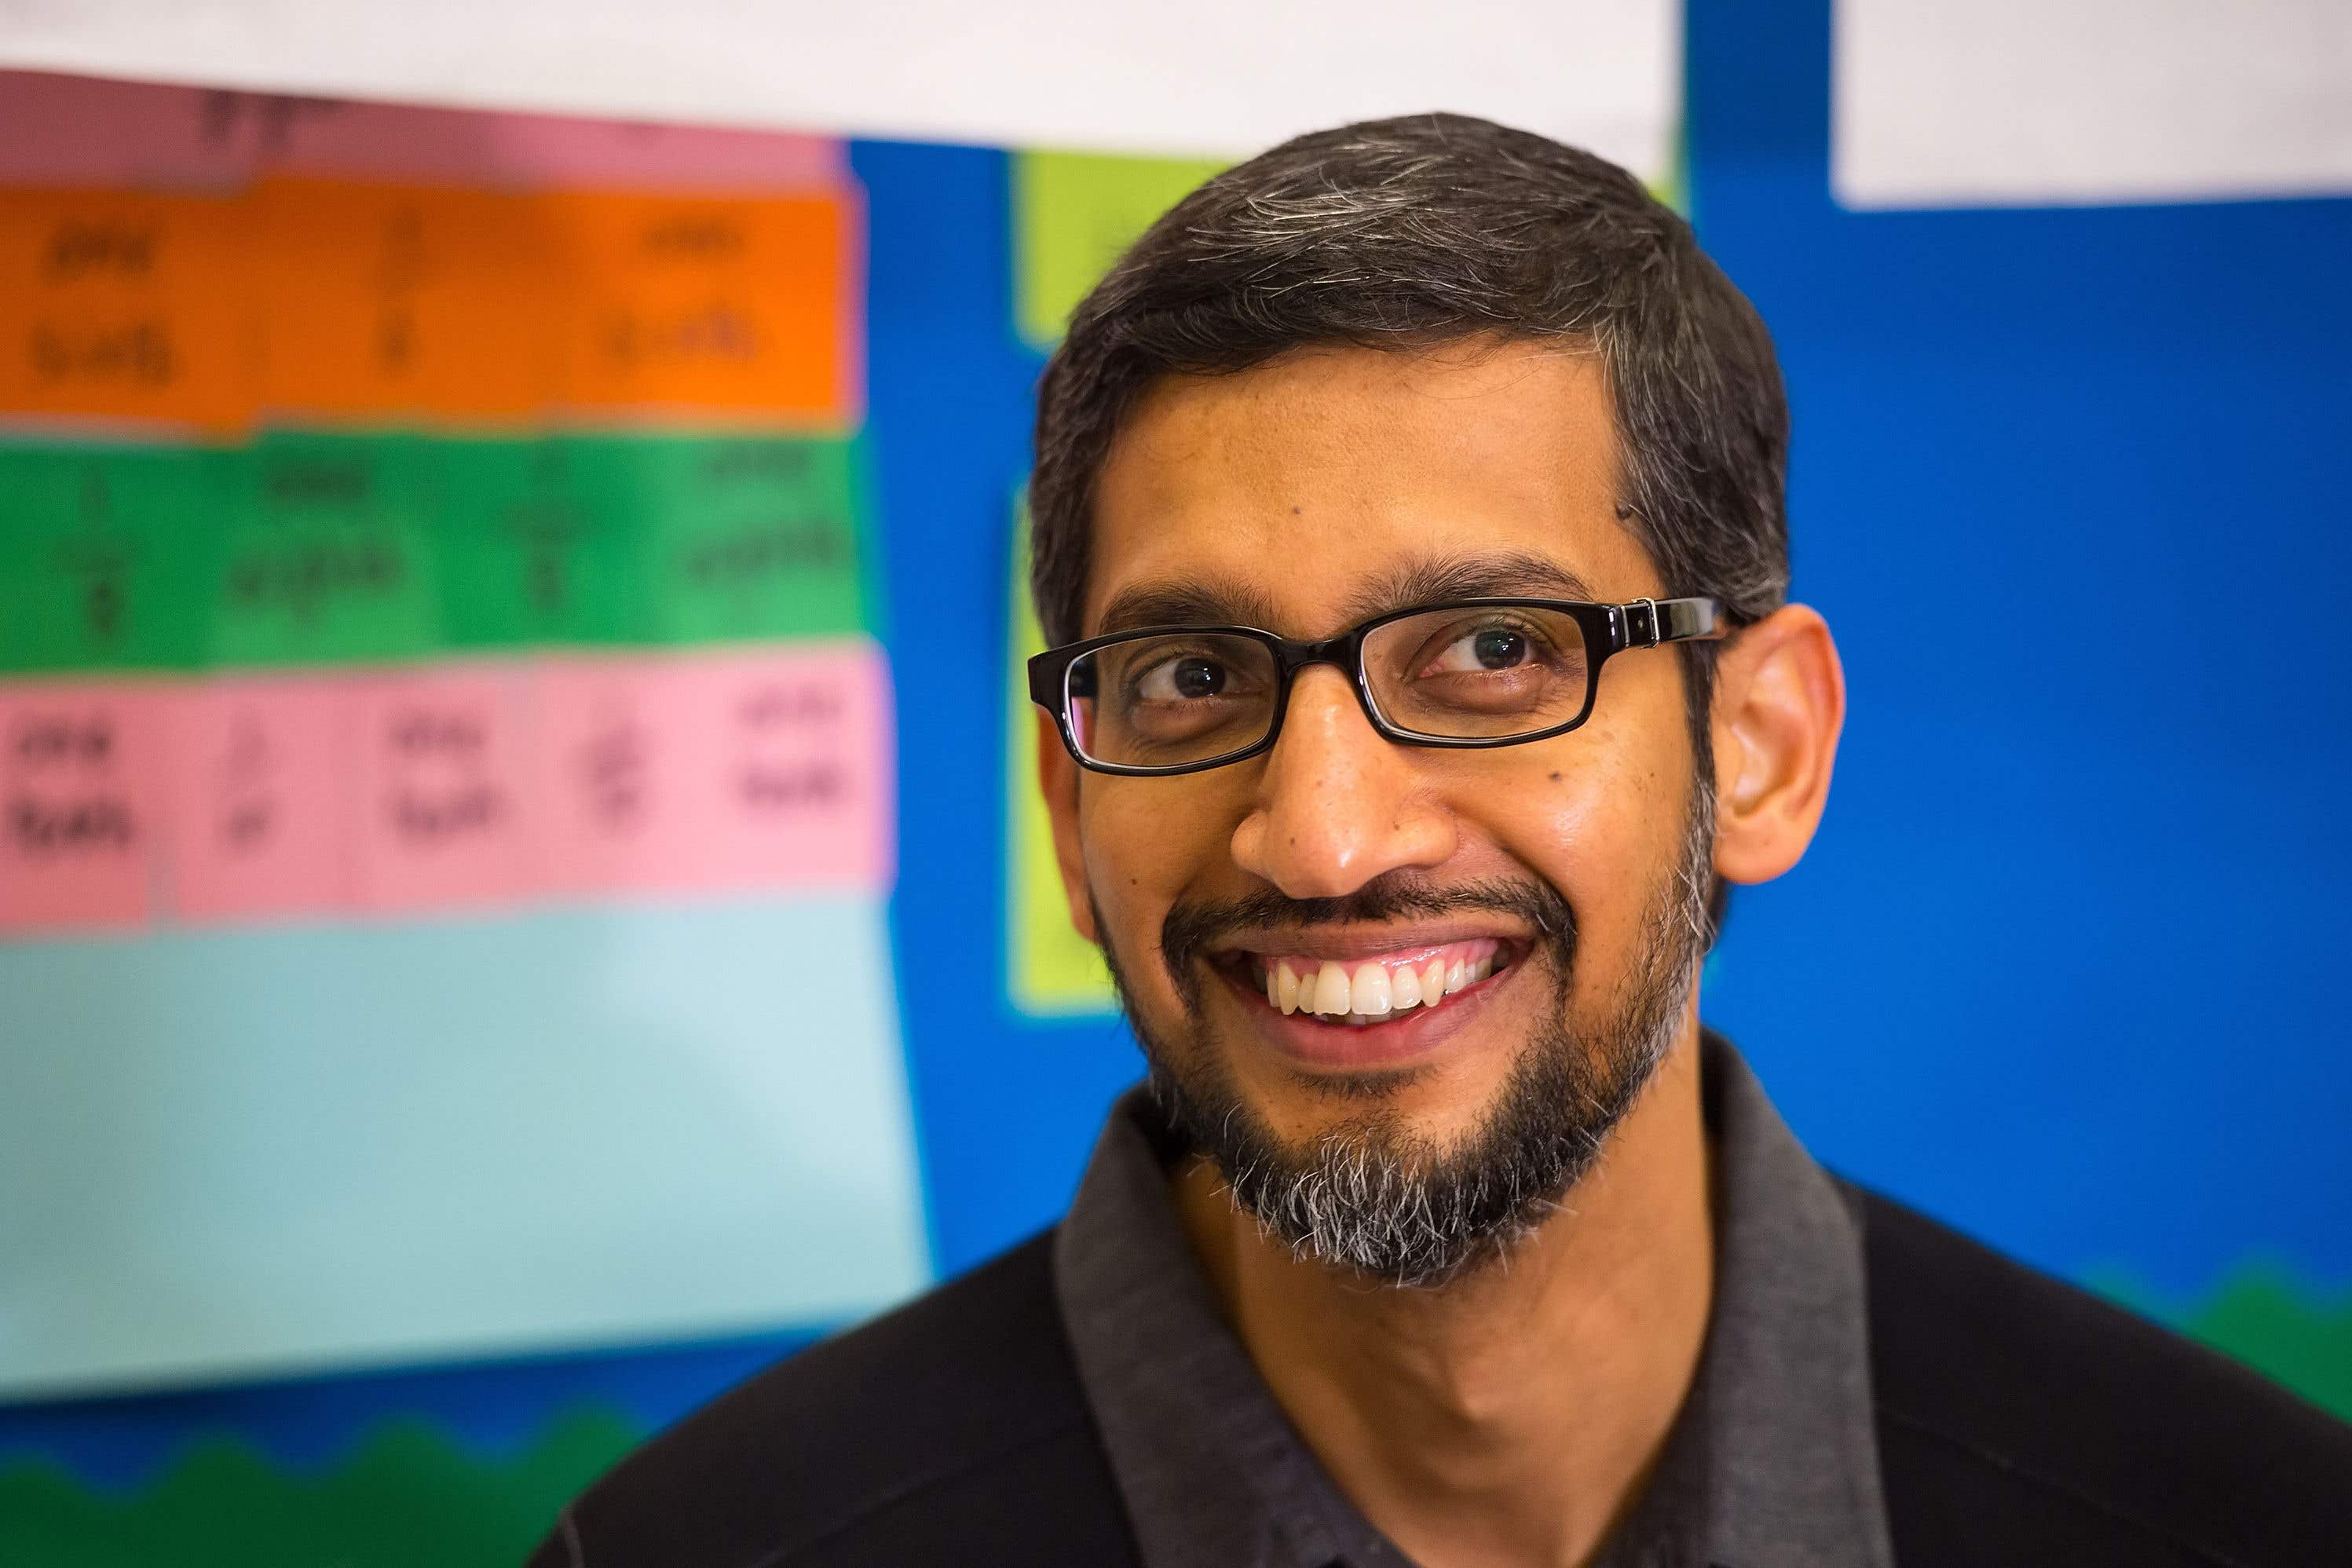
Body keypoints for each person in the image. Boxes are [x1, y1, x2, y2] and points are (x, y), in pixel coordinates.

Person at [529, 113, 2351, 1567]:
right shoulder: (695, 1555)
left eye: (1491, 652)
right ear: (1069, 806)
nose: (1319, 838)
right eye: (1186, 674)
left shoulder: (2236, 1527)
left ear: (1760, 749)